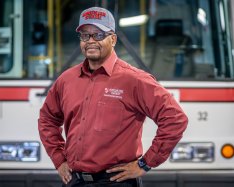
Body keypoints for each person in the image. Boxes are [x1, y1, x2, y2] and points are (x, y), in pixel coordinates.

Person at [38, 7, 188, 187]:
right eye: (85, 36)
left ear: (113, 39)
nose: (91, 41)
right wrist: (59, 159)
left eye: (99, 35)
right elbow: (47, 118)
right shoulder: (66, 80)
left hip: (116, 182)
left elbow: (175, 119)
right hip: (74, 181)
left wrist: (146, 163)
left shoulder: (134, 80)